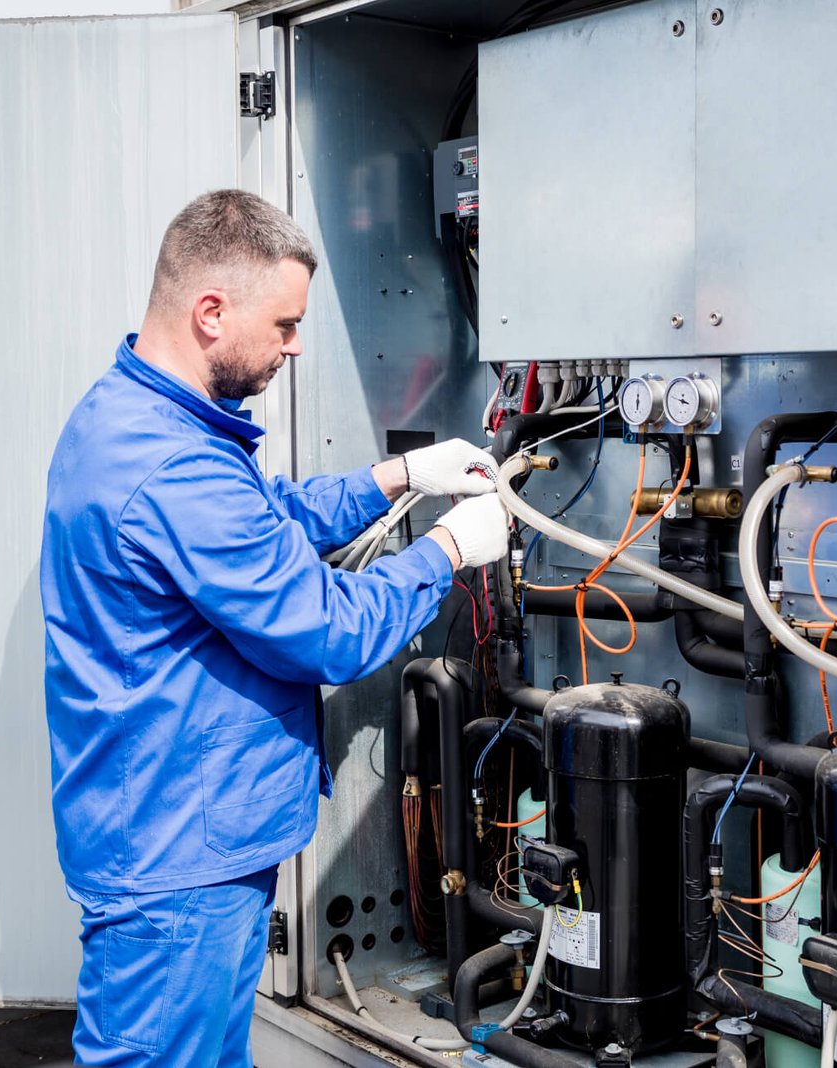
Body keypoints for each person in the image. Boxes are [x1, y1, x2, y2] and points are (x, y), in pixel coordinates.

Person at [40, 189, 509, 1066]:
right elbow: (325, 630)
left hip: (174, 834)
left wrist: (395, 476)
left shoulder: (140, 417)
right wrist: (446, 551)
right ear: (210, 313)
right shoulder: (171, 462)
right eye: (285, 323)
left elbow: (263, 519)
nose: (295, 345)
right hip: (177, 855)